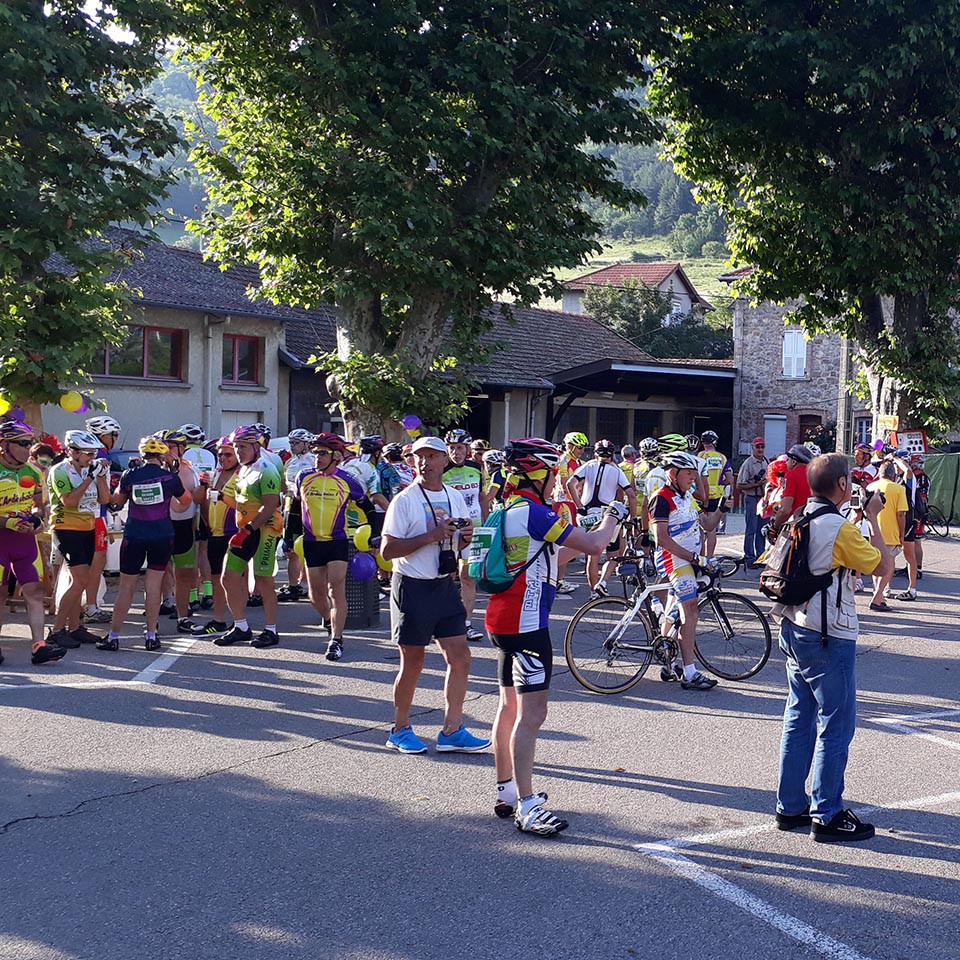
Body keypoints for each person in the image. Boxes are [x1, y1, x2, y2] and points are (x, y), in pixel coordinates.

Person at [487, 439, 629, 836]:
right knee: (532, 715)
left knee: (508, 707)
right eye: (554, 474)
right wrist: (614, 514)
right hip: (528, 624)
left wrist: (593, 531)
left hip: (502, 619)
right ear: (538, 474)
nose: (558, 481)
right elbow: (596, 545)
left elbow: (555, 555)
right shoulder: (534, 512)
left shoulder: (508, 509)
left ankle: (507, 791)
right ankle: (528, 807)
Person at [775, 452, 892, 842]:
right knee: (836, 726)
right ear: (842, 484)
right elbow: (882, 567)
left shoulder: (798, 519)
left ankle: (790, 806)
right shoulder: (839, 527)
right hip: (828, 635)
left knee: (799, 717)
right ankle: (827, 813)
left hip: (794, 625)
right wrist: (874, 517)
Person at [380, 435, 490, 755]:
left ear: (446, 460)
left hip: (444, 585)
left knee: (461, 657)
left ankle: (452, 730)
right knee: (413, 663)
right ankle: (399, 730)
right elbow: (387, 551)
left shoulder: (455, 496)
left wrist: (466, 538)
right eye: (419, 456)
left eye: (431, 456)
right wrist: (431, 536)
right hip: (412, 586)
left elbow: (460, 542)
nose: (424, 462)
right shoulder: (405, 500)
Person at [97, 437, 191, 652]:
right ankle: (151, 635)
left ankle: (113, 636)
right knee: (153, 586)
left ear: (142, 455)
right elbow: (185, 501)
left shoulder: (130, 475)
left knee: (126, 587)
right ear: (162, 456)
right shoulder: (170, 478)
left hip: (135, 535)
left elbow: (117, 502)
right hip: (162, 534)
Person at [295, 432, 368, 662]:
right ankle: (329, 619)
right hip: (311, 541)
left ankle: (336, 639)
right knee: (315, 593)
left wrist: (373, 533)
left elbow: (370, 507)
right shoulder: (303, 477)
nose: (317, 456)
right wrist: (289, 536)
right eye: (315, 452)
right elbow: (295, 509)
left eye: (322, 453)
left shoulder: (347, 480)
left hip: (337, 540)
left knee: (336, 588)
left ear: (336, 456)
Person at [650, 450, 719, 691]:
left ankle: (668, 661)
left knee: (676, 612)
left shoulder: (687, 496)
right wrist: (693, 557)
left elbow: (708, 525)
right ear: (673, 474)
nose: (692, 477)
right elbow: (661, 539)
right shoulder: (662, 498)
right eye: (688, 473)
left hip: (690, 559)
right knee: (690, 610)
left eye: (693, 473)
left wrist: (722, 508)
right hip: (674, 559)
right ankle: (690, 673)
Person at [0, 421, 67, 666]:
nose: (29, 448)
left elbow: (39, 505)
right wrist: (8, 523)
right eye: (23, 443)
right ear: (4, 445)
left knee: (35, 592)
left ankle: (39, 645)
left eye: (30, 443)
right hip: (1, 540)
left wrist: (37, 519)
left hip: (25, 541)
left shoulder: (32, 471)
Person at [215, 425, 283, 648]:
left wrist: (248, 530)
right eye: (236, 447)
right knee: (229, 576)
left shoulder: (267, 469)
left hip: (264, 530)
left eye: (242, 447)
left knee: (263, 579)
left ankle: (271, 630)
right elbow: (238, 501)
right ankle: (241, 626)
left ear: (256, 446)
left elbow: (271, 504)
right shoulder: (243, 470)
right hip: (245, 529)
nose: (238, 452)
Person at [47, 430, 111, 649]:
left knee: (80, 582)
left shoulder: (89, 470)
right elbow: (69, 501)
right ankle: (56, 631)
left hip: (88, 528)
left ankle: (75, 628)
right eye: (87, 454)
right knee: (80, 581)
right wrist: (91, 478)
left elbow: (105, 499)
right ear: (72, 451)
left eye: (94, 454)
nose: (91, 458)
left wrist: (100, 476)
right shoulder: (59, 471)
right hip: (66, 528)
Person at [568, 439, 635, 599]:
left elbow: (571, 483)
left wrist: (579, 506)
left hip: (586, 514)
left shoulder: (588, 465)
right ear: (612, 454)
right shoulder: (616, 470)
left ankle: (593, 592)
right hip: (607, 514)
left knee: (592, 555)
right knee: (614, 553)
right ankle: (603, 583)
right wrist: (632, 518)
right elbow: (631, 494)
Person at [190, 437, 241, 637]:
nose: (223, 458)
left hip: (235, 532)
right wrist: (203, 485)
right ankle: (219, 620)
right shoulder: (216, 473)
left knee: (237, 580)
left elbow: (246, 504)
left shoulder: (242, 474)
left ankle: (240, 622)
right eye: (220, 454)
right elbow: (197, 499)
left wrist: (222, 497)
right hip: (215, 532)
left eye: (228, 454)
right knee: (217, 577)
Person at [443, 429, 488, 641]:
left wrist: (488, 526)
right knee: (448, 576)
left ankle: (466, 622)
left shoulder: (477, 467)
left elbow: (482, 498)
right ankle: (445, 619)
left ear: (468, 449)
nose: (455, 452)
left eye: (459, 448)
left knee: (468, 576)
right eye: (451, 448)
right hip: (451, 530)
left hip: (474, 528)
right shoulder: (442, 470)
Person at [156, 428, 202, 632]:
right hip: (159, 524)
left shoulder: (188, 468)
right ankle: (153, 621)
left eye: (175, 446)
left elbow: (189, 502)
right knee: (156, 572)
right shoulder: (154, 469)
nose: (168, 450)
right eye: (169, 446)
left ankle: (183, 617)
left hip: (183, 525)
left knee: (184, 572)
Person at [82, 414, 123, 623]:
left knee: (79, 566)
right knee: (96, 563)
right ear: (104, 435)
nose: (114, 439)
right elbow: (104, 496)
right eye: (113, 435)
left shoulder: (81, 452)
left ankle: (82, 605)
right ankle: (90, 607)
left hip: (79, 516)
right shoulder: (102, 457)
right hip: (97, 515)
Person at [178, 423, 217, 612]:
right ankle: (208, 593)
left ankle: (193, 595)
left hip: (189, 509)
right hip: (208, 506)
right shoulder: (210, 455)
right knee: (205, 551)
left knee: (190, 554)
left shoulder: (183, 457)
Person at [278, 428, 316, 603]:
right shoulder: (291, 461)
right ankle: (298, 583)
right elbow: (284, 486)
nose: (292, 446)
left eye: (296, 443)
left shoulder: (312, 461)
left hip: (302, 507)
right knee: (292, 548)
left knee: (295, 548)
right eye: (291, 443)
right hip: (289, 506)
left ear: (307, 444)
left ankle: (296, 586)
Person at [866, 461, 909, 612]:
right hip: (890, 532)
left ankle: (878, 594)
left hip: (872, 531)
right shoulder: (898, 489)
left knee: (875, 564)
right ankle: (878, 596)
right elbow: (901, 513)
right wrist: (902, 533)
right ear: (893, 475)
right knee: (889, 565)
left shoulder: (870, 487)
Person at [552, 431, 588, 597]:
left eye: (583, 447)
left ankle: (559, 579)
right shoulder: (564, 460)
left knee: (568, 541)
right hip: (563, 503)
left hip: (572, 503)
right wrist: (579, 503)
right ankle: (557, 580)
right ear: (570, 446)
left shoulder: (578, 461)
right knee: (565, 540)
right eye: (579, 447)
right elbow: (566, 484)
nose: (581, 450)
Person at [767, 444, 814, 541]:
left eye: (787, 459)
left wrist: (774, 527)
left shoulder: (792, 474)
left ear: (793, 461)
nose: (786, 463)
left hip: (795, 527)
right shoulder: (816, 474)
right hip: (814, 526)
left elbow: (785, 509)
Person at [699, 430, 733, 557]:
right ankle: (710, 557)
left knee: (701, 529)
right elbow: (730, 479)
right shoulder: (722, 457)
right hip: (716, 496)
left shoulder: (699, 456)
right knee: (712, 529)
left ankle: (701, 557)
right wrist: (720, 484)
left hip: (701, 495)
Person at [737, 437, 769, 566]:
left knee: (762, 530)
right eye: (758, 447)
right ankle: (749, 557)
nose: (760, 449)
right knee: (751, 529)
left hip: (763, 499)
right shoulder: (748, 464)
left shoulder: (766, 462)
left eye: (762, 447)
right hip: (752, 499)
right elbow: (739, 485)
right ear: (753, 448)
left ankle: (760, 556)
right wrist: (756, 485)